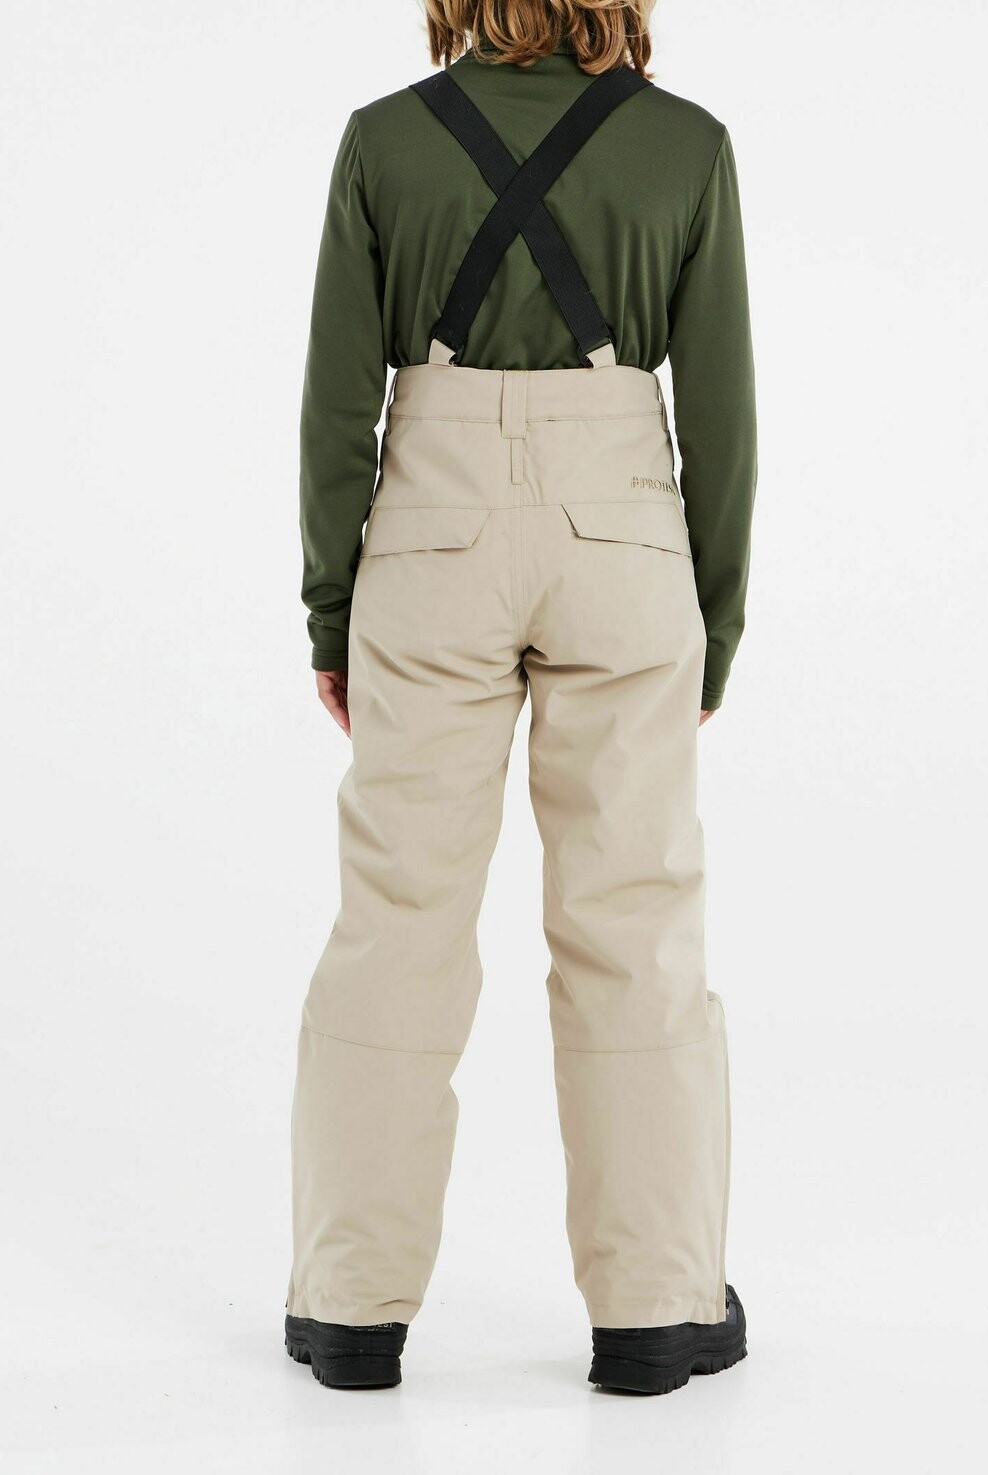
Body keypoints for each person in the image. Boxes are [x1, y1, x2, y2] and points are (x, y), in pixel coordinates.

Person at [285, 0, 757, 1396]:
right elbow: (722, 411)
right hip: (623, 539)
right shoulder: (687, 148)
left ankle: (351, 1307)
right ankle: (655, 1308)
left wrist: (333, 609)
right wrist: (715, 622)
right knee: (633, 916)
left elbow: (336, 405)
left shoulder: (382, 144)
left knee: (398, 918)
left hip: (430, 539)